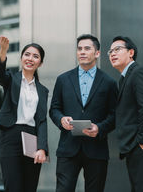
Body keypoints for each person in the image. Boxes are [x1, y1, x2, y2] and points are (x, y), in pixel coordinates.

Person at [49, 34, 118, 192]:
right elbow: (54, 109)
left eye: (87, 48)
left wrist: (99, 128)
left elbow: (115, 115)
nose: (82, 52)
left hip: (96, 149)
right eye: (79, 49)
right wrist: (61, 119)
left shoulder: (109, 83)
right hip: (68, 148)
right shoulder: (63, 79)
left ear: (97, 53)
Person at [108, 36, 143, 192]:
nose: (112, 54)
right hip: (135, 146)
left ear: (131, 52)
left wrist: (140, 142)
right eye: (110, 51)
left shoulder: (139, 73)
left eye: (117, 49)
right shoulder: (125, 78)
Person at [0, 36, 49, 192]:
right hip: (11, 136)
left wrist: (42, 148)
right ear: (21, 58)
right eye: (27, 54)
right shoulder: (11, 79)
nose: (30, 58)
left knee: (29, 187)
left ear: (40, 63)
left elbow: (42, 121)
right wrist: (3, 52)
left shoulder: (42, 90)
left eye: (35, 56)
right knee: (13, 186)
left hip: (32, 138)